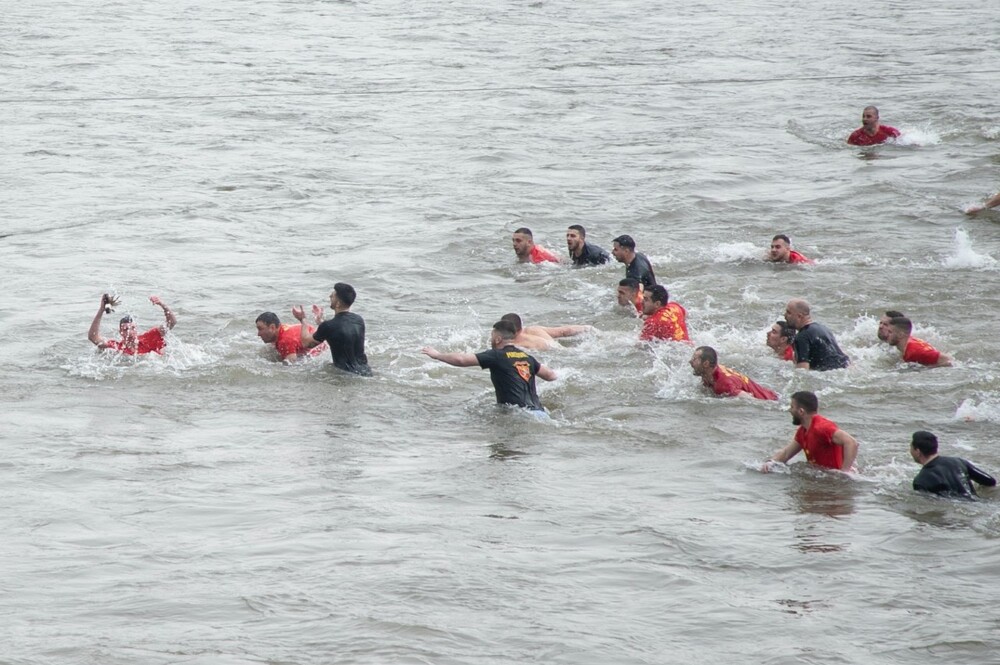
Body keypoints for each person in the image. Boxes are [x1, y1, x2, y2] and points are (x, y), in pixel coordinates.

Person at [422, 320, 557, 411]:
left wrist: (437, 355)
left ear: (498, 339)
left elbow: (461, 360)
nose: (490, 339)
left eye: (492, 336)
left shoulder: (496, 355)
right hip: (540, 412)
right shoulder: (527, 357)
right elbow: (550, 376)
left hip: (520, 414)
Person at [764, 391, 859, 472]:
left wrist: (845, 473)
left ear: (801, 411)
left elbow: (851, 442)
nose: (789, 410)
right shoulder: (803, 431)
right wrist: (770, 463)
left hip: (836, 484)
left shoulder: (822, 427)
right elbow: (786, 453)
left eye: (792, 407)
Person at [293, 282, 372, 376]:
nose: (330, 296)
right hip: (366, 371)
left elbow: (306, 343)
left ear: (338, 303)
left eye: (333, 296)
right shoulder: (359, 320)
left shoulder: (329, 326)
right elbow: (339, 332)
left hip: (346, 376)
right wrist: (320, 322)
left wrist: (303, 319)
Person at [910, 431, 996, 499]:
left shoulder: (920, 480)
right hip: (978, 503)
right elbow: (990, 481)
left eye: (911, 447)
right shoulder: (959, 461)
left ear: (918, 451)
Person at [88, 293, 176, 355]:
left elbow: (172, 322)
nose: (130, 332)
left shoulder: (149, 337)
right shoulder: (116, 347)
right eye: (126, 329)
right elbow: (93, 337)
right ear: (120, 332)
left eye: (133, 328)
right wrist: (101, 310)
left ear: (136, 329)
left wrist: (162, 304)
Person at [690, 346, 777, 400]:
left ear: (706, 364)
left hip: (769, 400)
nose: (690, 361)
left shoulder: (724, 383)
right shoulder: (709, 372)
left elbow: (750, 400)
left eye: (694, 359)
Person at [784, 299, 850, 370]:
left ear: (799, 316)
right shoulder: (823, 329)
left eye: (788, 312)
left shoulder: (801, 337)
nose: (784, 315)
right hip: (846, 367)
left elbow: (802, 372)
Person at [255, 311, 326, 362]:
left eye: (260, 329)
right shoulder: (280, 330)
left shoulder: (285, 340)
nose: (258, 334)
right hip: (315, 335)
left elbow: (291, 365)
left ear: (272, 327)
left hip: (319, 350)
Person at [499, 313, 592, 350]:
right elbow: (565, 331)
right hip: (563, 348)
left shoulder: (515, 345)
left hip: (559, 353)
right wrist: (588, 329)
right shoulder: (534, 329)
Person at [885, 317, 952, 367]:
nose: (886, 334)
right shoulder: (906, 342)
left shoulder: (915, 352)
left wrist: (928, 368)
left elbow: (948, 360)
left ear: (900, 335)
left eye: (890, 332)